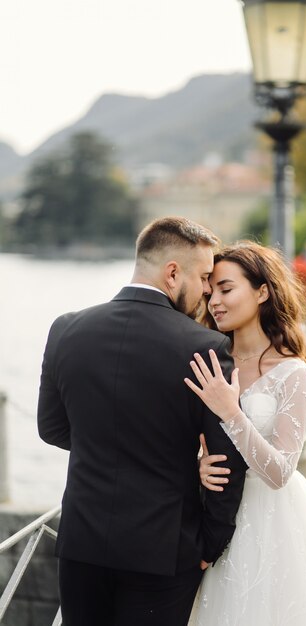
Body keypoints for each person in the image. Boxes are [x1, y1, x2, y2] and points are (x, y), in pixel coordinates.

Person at [37, 217, 247, 626]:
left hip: (82, 544)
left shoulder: (65, 329)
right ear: (173, 273)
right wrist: (211, 543)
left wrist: (106, 445)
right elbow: (225, 462)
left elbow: (52, 429)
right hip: (164, 552)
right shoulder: (207, 346)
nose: (207, 289)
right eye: (204, 276)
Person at [185, 241, 306, 626]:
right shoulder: (213, 363)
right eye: (210, 290)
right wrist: (198, 465)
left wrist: (231, 411)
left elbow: (280, 471)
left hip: (274, 523)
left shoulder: (292, 372)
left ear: (262, 291)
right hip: (216, 520)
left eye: (227, 289)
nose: (214, 301)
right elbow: (190, 439)